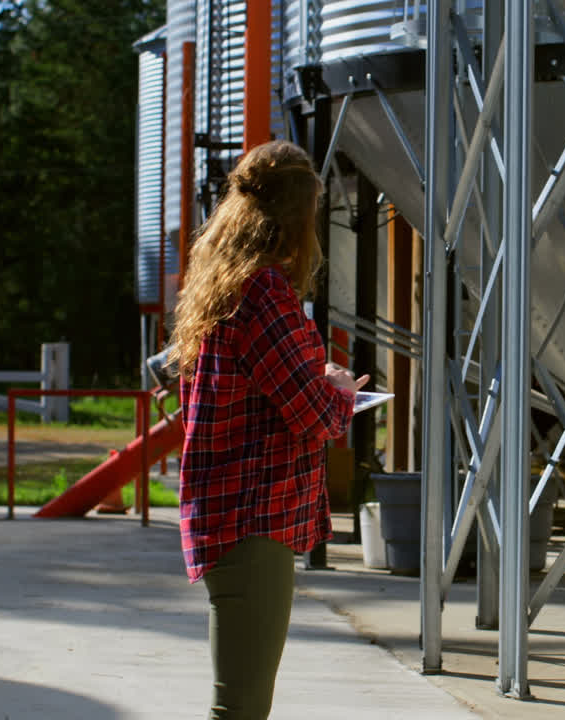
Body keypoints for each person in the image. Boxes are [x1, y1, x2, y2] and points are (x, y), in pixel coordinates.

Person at [168, 140, 368, 720]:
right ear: (298, 217)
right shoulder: (265, 294)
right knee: (242, 709)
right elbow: (314, 416)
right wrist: (340, 393)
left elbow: (264, 388)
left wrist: (316, 377)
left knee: (240, 703)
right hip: (253, 519)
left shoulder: (225, 285)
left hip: (230, 512)